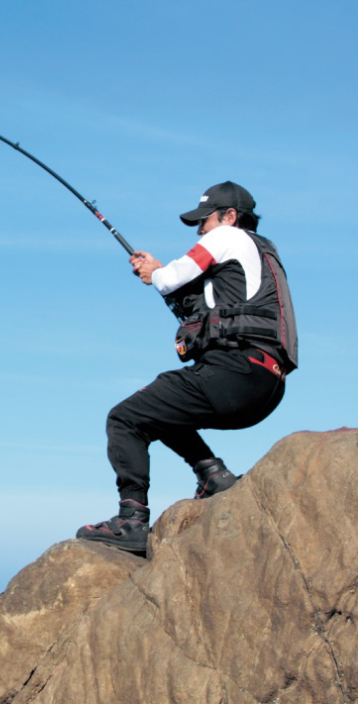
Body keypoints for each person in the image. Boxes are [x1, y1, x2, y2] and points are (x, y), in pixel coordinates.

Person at [76, 181, 298, 554]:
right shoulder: (258, 257)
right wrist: (158, 272)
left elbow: (172, 277)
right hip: (265, 386)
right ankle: (212, 475)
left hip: (236, 372)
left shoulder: (229, 236)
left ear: (229, 216)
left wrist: (157, 273)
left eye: (203, 221)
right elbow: (198, 300)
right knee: (160, 409)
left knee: (125, 418)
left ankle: (131, 520)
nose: (200, 230)